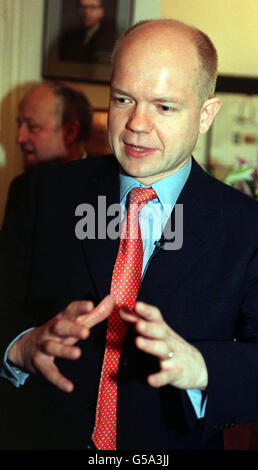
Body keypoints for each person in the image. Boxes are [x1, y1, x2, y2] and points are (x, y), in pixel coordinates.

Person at [1, 18, 258, 450]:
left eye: (164, 107)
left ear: (206, 115)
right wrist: (20, 346)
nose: (136, 123)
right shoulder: (41, 195)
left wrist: (202, 366)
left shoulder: (246, 227)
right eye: (124, 99)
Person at [16, 81, 92, 168]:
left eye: (32, 127)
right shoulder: (22, 181)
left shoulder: (106, 179)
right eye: (19, 125)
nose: (19, 138)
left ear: (69, 132)